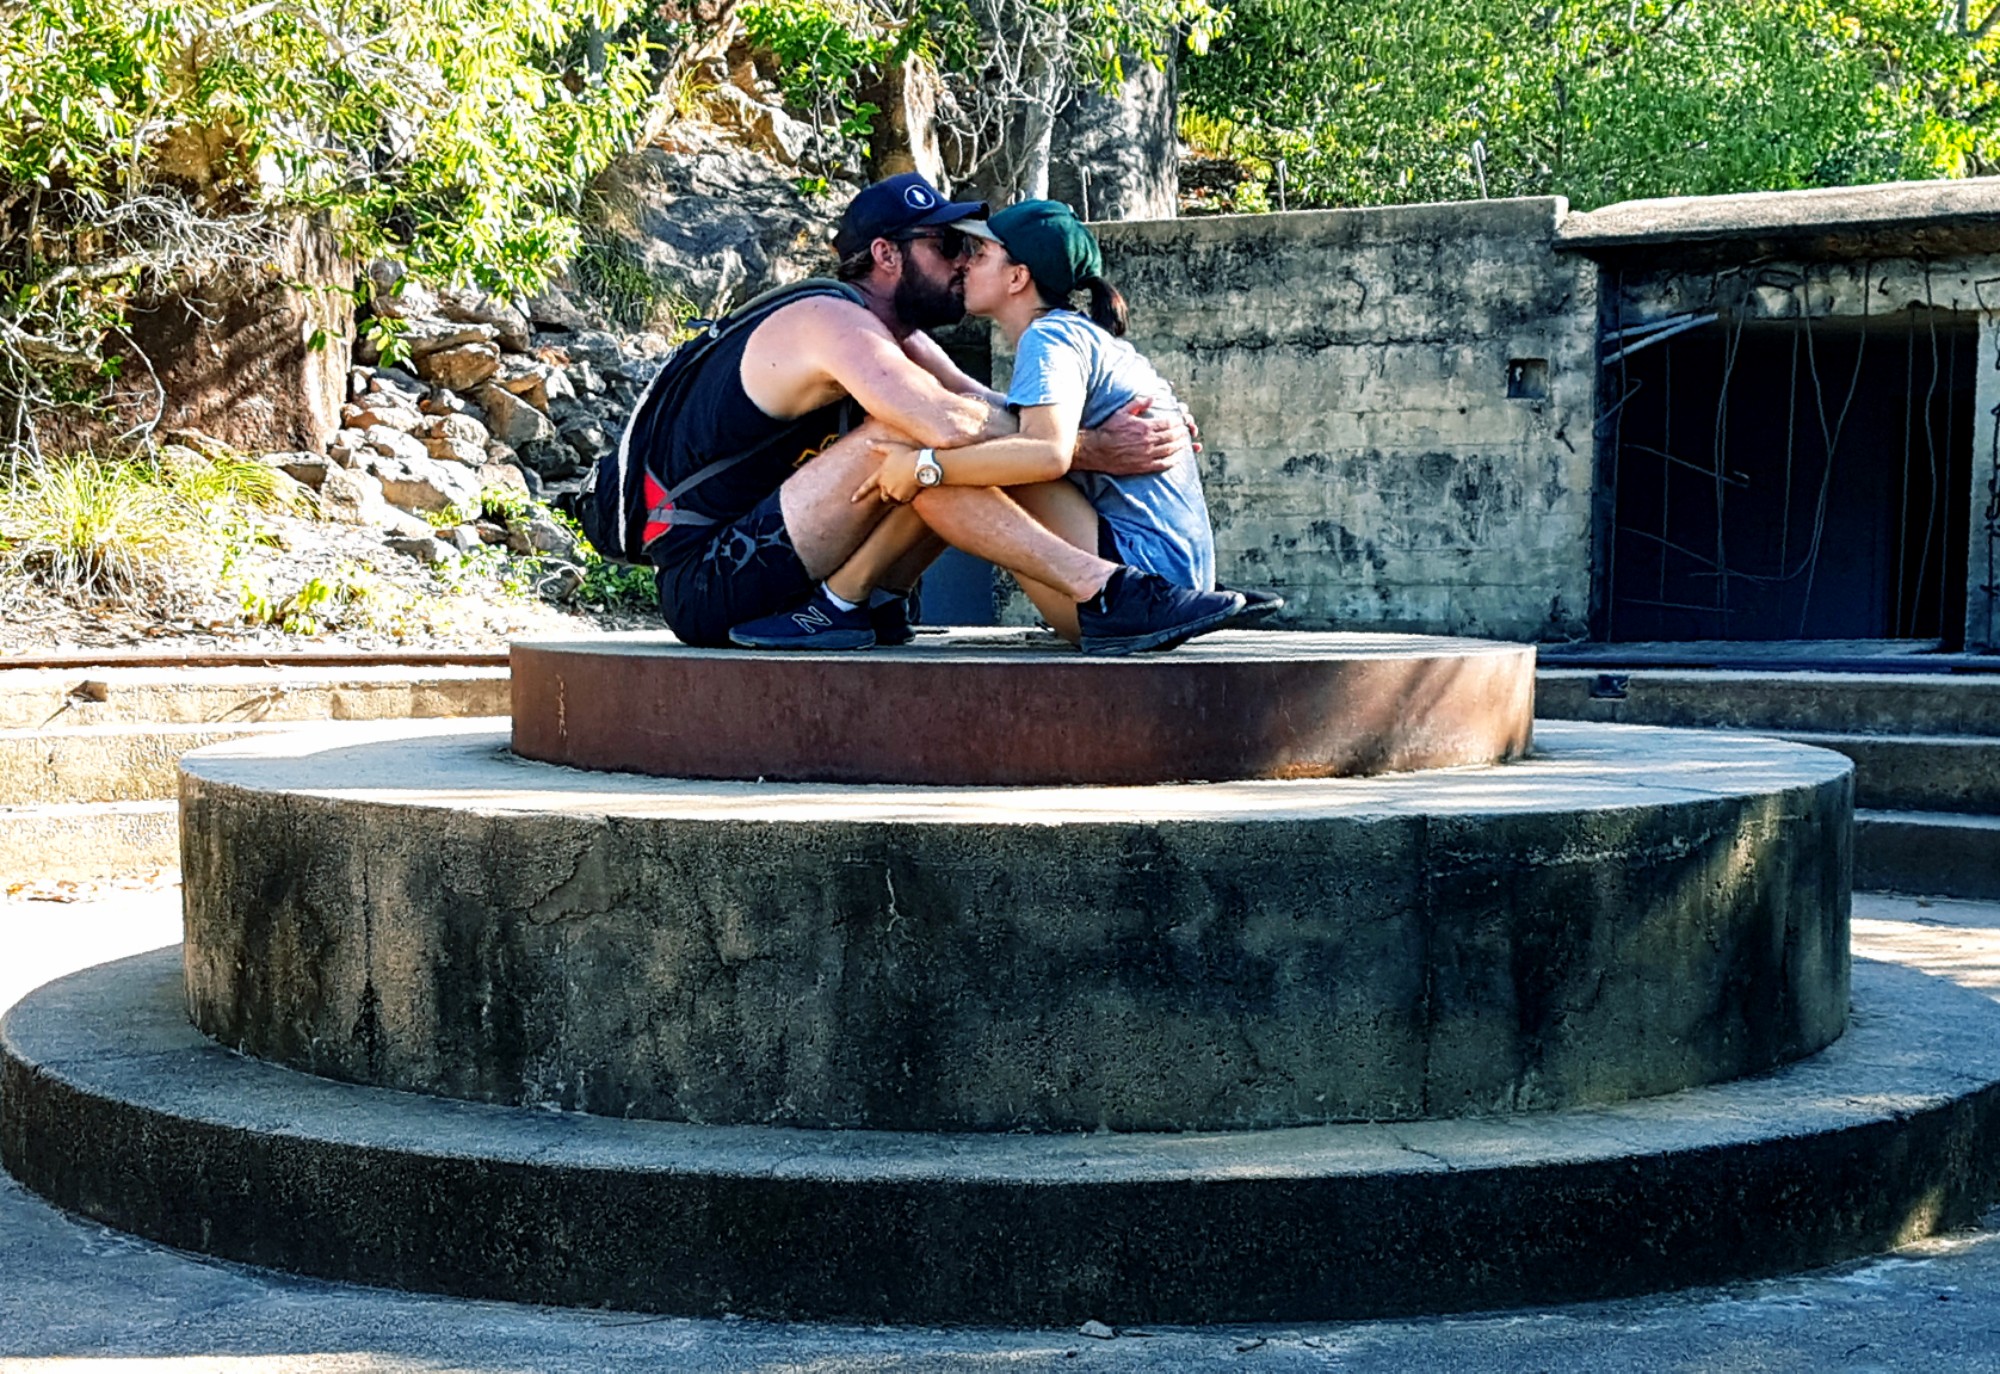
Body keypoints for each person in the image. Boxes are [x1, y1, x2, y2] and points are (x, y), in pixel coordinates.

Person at [633, 170, 1243, 654]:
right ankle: (1104, 590)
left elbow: (983, 406)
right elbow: (951, 423)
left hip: (789, 549)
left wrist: (1091, 426)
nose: (960, 261)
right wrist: (1091, 446)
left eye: (971, 250)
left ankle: (866, 601)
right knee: (911, 440)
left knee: (929, 457)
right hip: (711, 578)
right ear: (886, 255)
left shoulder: (908, 336)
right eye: (947, 245)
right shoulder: (834, 322)